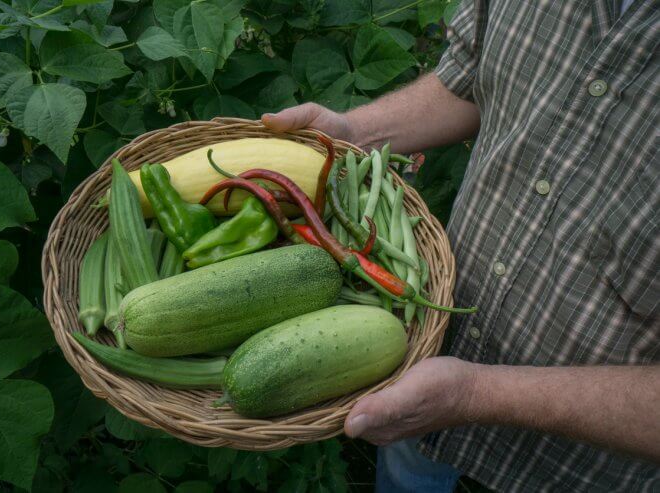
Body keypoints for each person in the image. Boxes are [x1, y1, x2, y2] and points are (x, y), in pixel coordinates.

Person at [263, 1, 659, 491]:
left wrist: (474, 394)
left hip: (575, 469)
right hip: (426, 351)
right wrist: (353, 134)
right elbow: (469, 75)